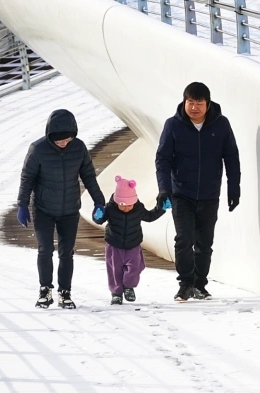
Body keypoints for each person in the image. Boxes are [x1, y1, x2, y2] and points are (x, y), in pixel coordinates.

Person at [155, 81, 241, 302]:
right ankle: (185, 285)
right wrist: (164, 189)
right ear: (184, 102)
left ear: (208, 104)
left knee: (204, 243)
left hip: (210, 194)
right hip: (181, 193)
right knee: (184, 239)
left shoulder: (221, 125)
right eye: (190, 102)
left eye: (199, 103)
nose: (194, 107)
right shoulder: (173, 125)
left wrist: (234, 188)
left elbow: (231, 157)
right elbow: (162, 160)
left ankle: (200, 285)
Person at [17, 109, 105, 309]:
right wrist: (22, 204)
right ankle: (45, 290)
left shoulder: (79, 148)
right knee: (45, 249)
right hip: (43, 209)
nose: (63, 143)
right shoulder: (37, 149)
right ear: (50, 136)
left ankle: (65, 293)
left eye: (67, 139)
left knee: (67, 253)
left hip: (69, 209)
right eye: (59, 141)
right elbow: (27, 178)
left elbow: (89, 176)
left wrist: (100, 202)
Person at [93, 176, 169, 305]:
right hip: (114, 245)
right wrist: (97, 215)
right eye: (122, 205)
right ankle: (116, 293)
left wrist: (161, 208)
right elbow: (100, 219)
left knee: (134, 267)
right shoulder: (110, 208)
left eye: (129, 205)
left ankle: (129, 287)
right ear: (117, 201)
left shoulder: (138, 209)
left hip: (133, 244)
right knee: (114, 269)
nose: (126, 208)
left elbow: (150, 217)